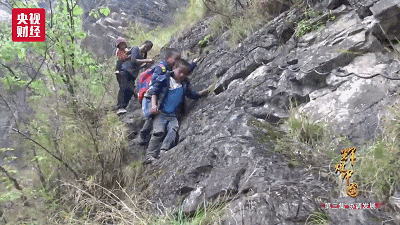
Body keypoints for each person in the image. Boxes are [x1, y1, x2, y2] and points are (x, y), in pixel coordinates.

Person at [144, 58, 209, 164]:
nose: (182, 75)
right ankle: (150, 155)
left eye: (185, 73)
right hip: (161, 113)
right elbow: (154, 92)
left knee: (173, 130)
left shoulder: (184, 85)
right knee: (158, 132)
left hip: (173, 115)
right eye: (180, 72)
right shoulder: (164, 79)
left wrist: (200, 94)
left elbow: (191, 94)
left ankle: (164, 150)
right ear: (174, 68)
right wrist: (153, 105)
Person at [135, 48, 182, 145]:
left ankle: (151, 134)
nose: (177, 61)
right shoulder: (161, 67)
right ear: (168, 58)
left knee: (158, 113)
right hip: (154, 94)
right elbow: (156, 79)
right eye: (176, 59)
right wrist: (168, 75)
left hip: (162, 94)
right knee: (152, 114)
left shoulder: (170, 68)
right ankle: (143, 134)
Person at [116, 39, 154, 115]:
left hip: (132, 74)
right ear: (143, 44)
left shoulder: (144, 55)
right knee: (124, 88)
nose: (146, 49)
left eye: (149, 48)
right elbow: (133, 60)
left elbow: (139, 65)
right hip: (125, 70)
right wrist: (147, 61)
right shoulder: (135, 48)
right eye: (146, 46)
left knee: (130, 90)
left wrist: (146, 64)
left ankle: (125, 107)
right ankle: (120, 107)